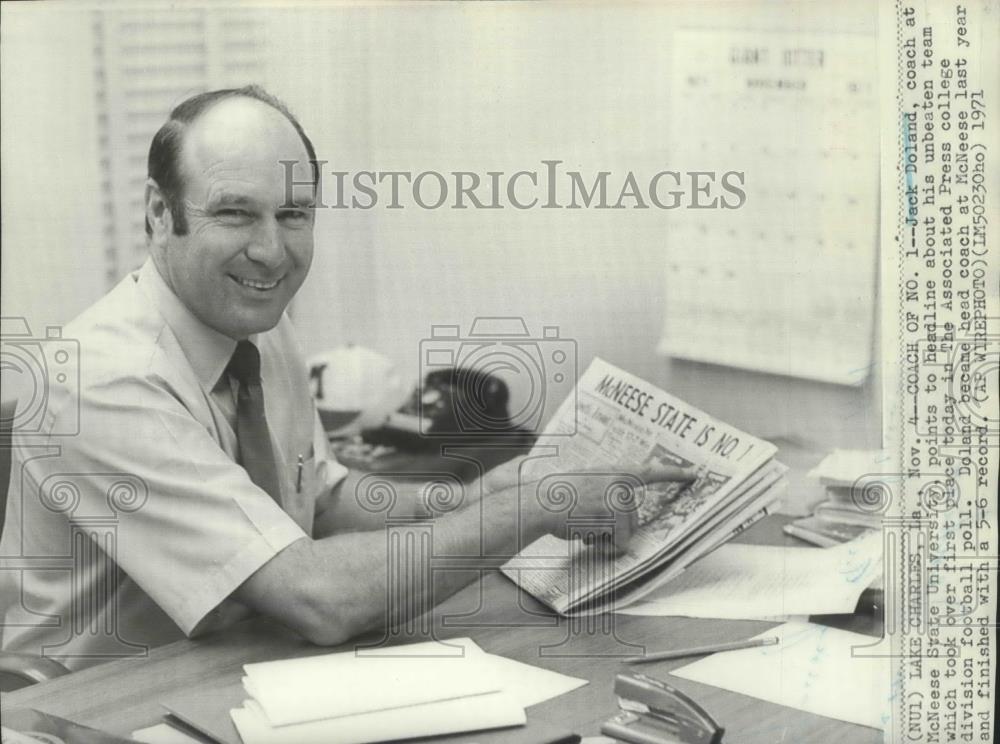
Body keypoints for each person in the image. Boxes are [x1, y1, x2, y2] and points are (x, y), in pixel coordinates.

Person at [0, 86, 689, 670]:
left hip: (236, 666)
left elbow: (318, 496)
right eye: (235, 212)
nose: (271, 252)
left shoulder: (255, 324)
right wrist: (531, 510)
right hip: (96, 706)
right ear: (159, 212)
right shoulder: (100, 380)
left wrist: (465, 499)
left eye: (293, 215)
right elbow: (317, 598)